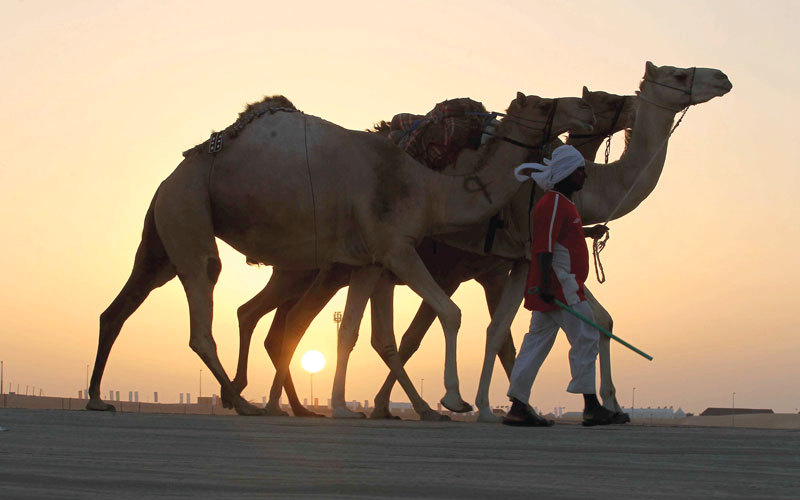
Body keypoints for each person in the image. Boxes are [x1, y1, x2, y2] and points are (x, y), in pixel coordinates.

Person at [503, 145, 617, 427]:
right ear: (566, 172)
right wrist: (544, 284)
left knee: (536, 342)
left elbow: (560, 236)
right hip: (560, 284)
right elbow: (544, 247)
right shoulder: (554, 203)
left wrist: (587, 232)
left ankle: (518, 405)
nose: (584, 176)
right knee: (587, 335)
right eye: (580, 171)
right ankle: (591, 406)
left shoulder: (561, 205)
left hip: (553, 284)